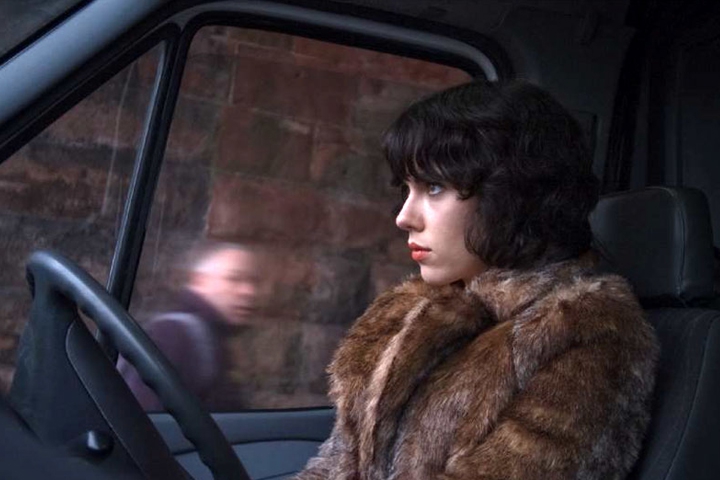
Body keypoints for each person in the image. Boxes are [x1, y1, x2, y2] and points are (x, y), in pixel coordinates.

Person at [294, 80, 658, 479]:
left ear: (511, 195)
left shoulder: (584, 328)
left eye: (434, 187)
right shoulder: (409, 310)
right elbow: (338, 465)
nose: (404, 217)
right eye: (407, 189)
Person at [118, 242, 261, 410]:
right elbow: (143, 415)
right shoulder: (174, 335)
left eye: (254, 282)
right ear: (200, 281)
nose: (249, 292)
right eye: (234, 279)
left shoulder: (210, 338)